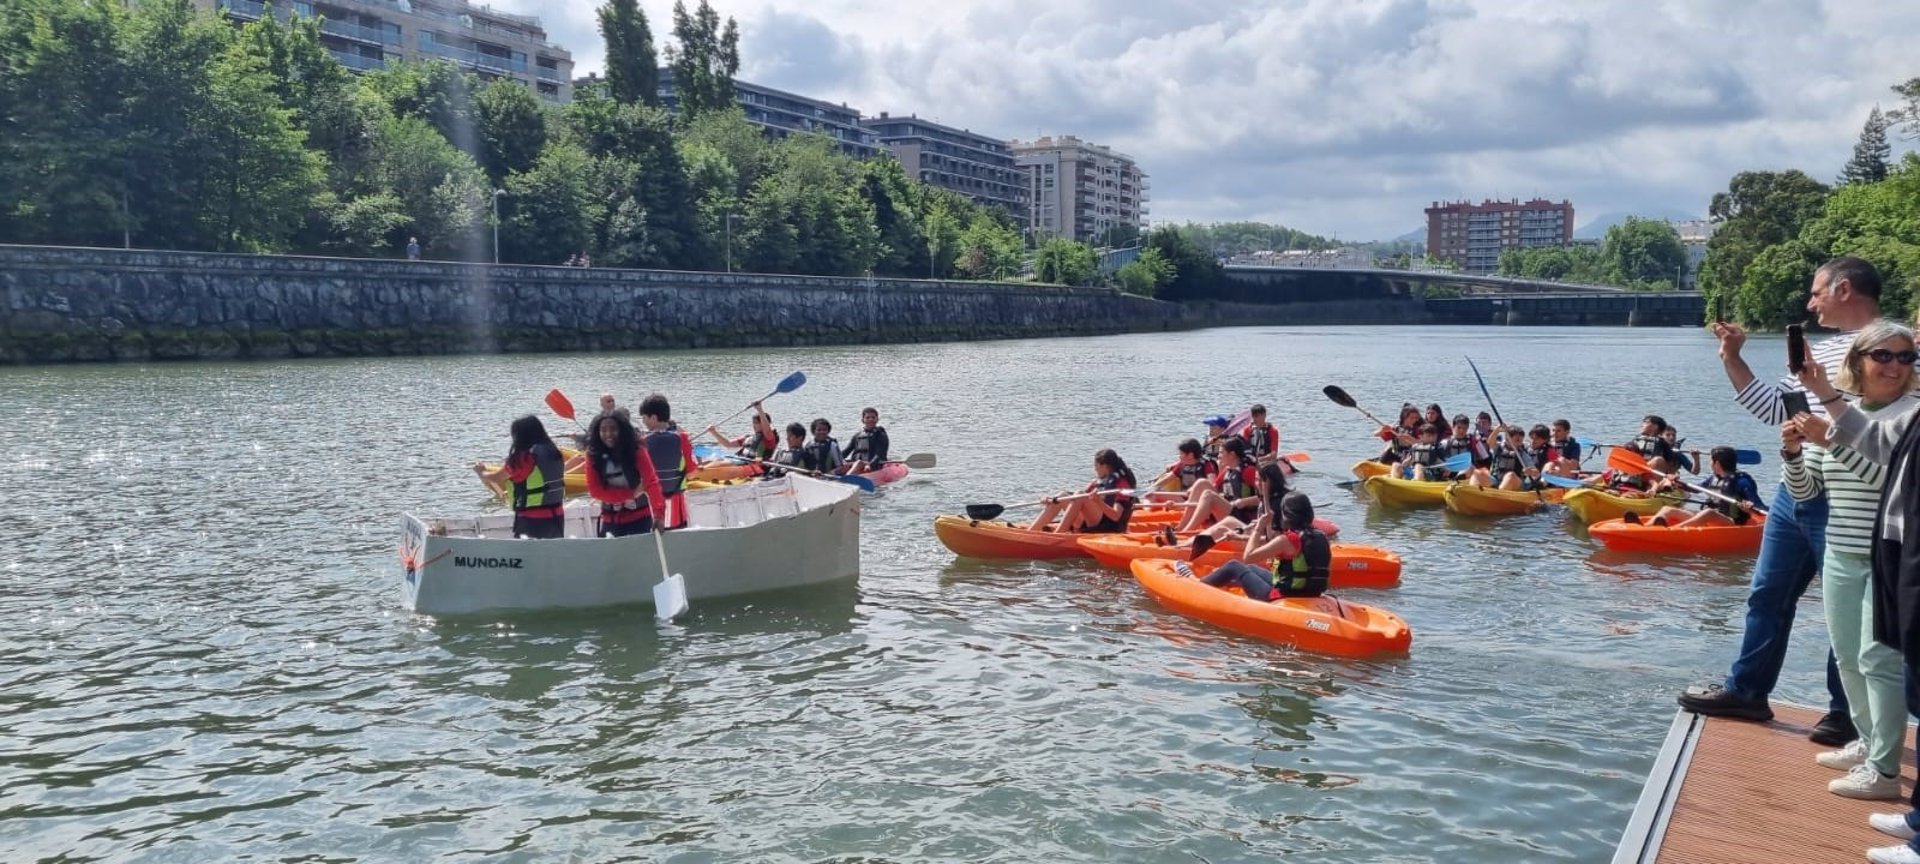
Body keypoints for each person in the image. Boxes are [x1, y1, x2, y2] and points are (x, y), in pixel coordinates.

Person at [1678, 256, 1885, 747]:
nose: (1810, 302)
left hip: (1849, 496)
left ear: (1844, 290)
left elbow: (1887, 431)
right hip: (1795, 490)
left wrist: (1828, 417)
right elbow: (1776, 411)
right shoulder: (1822, 348)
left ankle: (1844, 713)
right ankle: (1747, 691)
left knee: (1846, 609)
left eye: (1816, 292)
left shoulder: (1891, 349)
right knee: (1767, 596)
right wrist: (1732, 357)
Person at [1792, 322, 1920, 861]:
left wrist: (1830, 438)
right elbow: (1809, 490)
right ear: (1860, 363)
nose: (1895, 364)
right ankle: (1871, 747)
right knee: (1850, 656)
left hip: (1888, 554)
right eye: (1883, 356)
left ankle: (1886, 767)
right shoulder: (1847, 415)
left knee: (1879, 659)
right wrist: (1796, 456)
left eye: (1905, 356)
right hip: (1844, 548)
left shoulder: (1907, 413)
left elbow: (1882, 475)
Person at [1185, 491, 1330, 600]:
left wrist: (1259, 527)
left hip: (1282, 596)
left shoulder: (1287, 539)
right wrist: (1241, 536)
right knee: (1251, 569)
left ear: (1286, 515)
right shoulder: (1320, 535)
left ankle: (1198, 585)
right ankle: (1225, 584)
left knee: (1234, 565)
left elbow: (1248, 556)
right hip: (1312, 593)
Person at [471, 415, 567, 539]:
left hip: (532, 520)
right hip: (557, 517)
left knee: (530, 557)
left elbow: (497, 478)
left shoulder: (524, 457)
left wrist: (481, 472)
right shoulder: (554, 452)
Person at [582, 411, 665, 537]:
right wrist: (630, 494)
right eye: (603, 430)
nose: (608, 434)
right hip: (610, 522)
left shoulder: (637, 450)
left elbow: (652, 482)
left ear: (622, 431)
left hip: (640, 520)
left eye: (613, 429)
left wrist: (659, 515)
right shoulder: (593, 455)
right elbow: (595, 491)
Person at [1638, 446, 1762, 528]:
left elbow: (1758, 505)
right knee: (1667, 509)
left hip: (1732, 524)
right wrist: (1676, 481)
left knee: (1708, 512)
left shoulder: (1742, 481)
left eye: (1710, 461)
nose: (1709, 464)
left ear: (1717, 463)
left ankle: (1671, 531)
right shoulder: (1713, 478)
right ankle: (1644, 528)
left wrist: (1749, 507)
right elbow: (1693, 489)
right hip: (1713, 519)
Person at [1030, 449, 1137, 534]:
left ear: (1104, 466)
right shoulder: (1099, 481)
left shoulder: (1121, 484)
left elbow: (1116, 516)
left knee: (1080, 495)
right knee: (1062, 495)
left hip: (1110, 527)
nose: (1095, 469)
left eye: (1096, 466)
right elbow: (1073, 498)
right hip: (1093, 522)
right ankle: (1031, 532)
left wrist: (1098, 502)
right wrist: (1051, 500)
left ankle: (1057, 535)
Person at [638, 393, 698, 531]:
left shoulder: (641, 442)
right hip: (677, 507)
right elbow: (692, 473)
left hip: (649, 506)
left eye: (644, 418)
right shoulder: (682, 438)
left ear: (653, 418)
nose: (643, 422)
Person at [1174, 438, 1260, 533]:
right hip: (1230, 510)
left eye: (1221, 453)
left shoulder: (1249, 471)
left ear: (1232, 455)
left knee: (1208, 495)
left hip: (1243, 518)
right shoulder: (1227, 471)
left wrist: (1244, 501)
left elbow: (1266, 497)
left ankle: (1186, 531)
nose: (1218, 456)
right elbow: (1213, 489)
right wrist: (1194, 492)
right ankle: (1181, 527)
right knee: (1201, 483)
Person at [706, 401, 778, 461]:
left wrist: (760, 409)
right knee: (711, 461)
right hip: (740, 461)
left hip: (754, 466)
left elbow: (767, 430)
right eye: (753, 423)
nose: (754, 425)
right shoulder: (748, 438)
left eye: (756, 423)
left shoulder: (769, 438)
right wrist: (714, 432)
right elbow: (728, 444)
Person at [841, 407, 890, 475]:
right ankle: (828, 475)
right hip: (856, 464)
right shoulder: (857, 436)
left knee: (858, 463)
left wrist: (870, 465)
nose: (871, 419)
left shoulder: (881, 435)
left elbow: (880, 454)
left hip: (873, 464)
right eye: (867, 417)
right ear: (863, 420)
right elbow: (846, 451)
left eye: (873, 417)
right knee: (842, 464)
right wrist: (835, 459)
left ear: (877, 419)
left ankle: (847, 478)